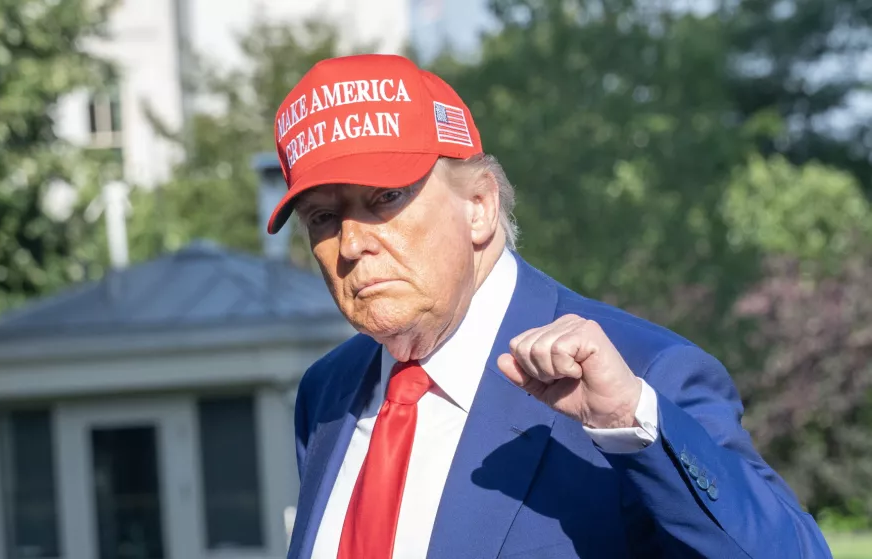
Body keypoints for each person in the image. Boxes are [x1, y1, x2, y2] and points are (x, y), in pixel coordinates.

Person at [266, 53, 832, 559]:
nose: (351, 243)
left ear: (480, 208)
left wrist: (630, 422)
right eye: (323, 216)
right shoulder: (328, 393)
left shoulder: (640, 377)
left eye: (384, 198)